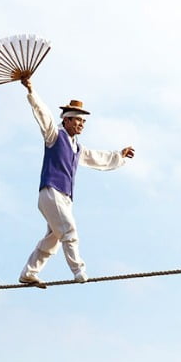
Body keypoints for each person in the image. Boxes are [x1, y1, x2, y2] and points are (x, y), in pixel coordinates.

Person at [16, 78, 135, 286]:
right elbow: (43, 115)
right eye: (78, 120)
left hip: (64, 198)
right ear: (67, 121)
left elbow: (97, 158)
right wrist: (31, 90)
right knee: (69, 231)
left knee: (53, 240)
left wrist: (119, 155)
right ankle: (79, 271)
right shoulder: (55, 136)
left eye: (83, 121)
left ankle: (29, 272)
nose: (81, 124)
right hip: (51, 192)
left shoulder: (77, 148)